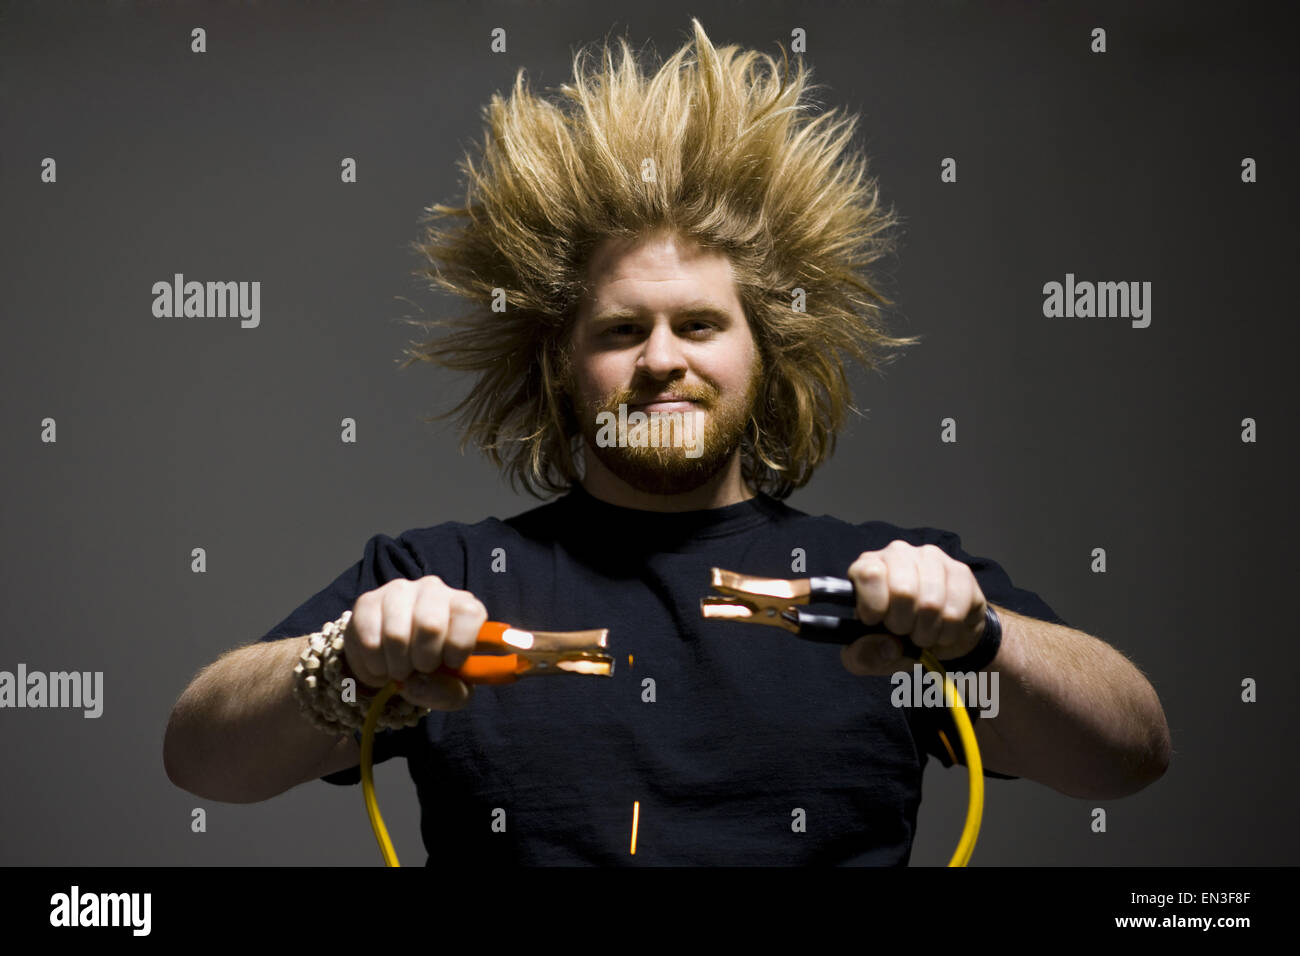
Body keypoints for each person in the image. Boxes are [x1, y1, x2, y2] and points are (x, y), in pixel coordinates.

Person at [163, 20, 1170, 865]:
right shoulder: (443, 578)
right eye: (618, 329)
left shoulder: (891, 591)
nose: (659, 359)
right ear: (561, 364)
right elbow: (203, 759)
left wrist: (978, 634)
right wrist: (346, 660)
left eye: (697, 325)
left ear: (764, 354)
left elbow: (1127, 752)